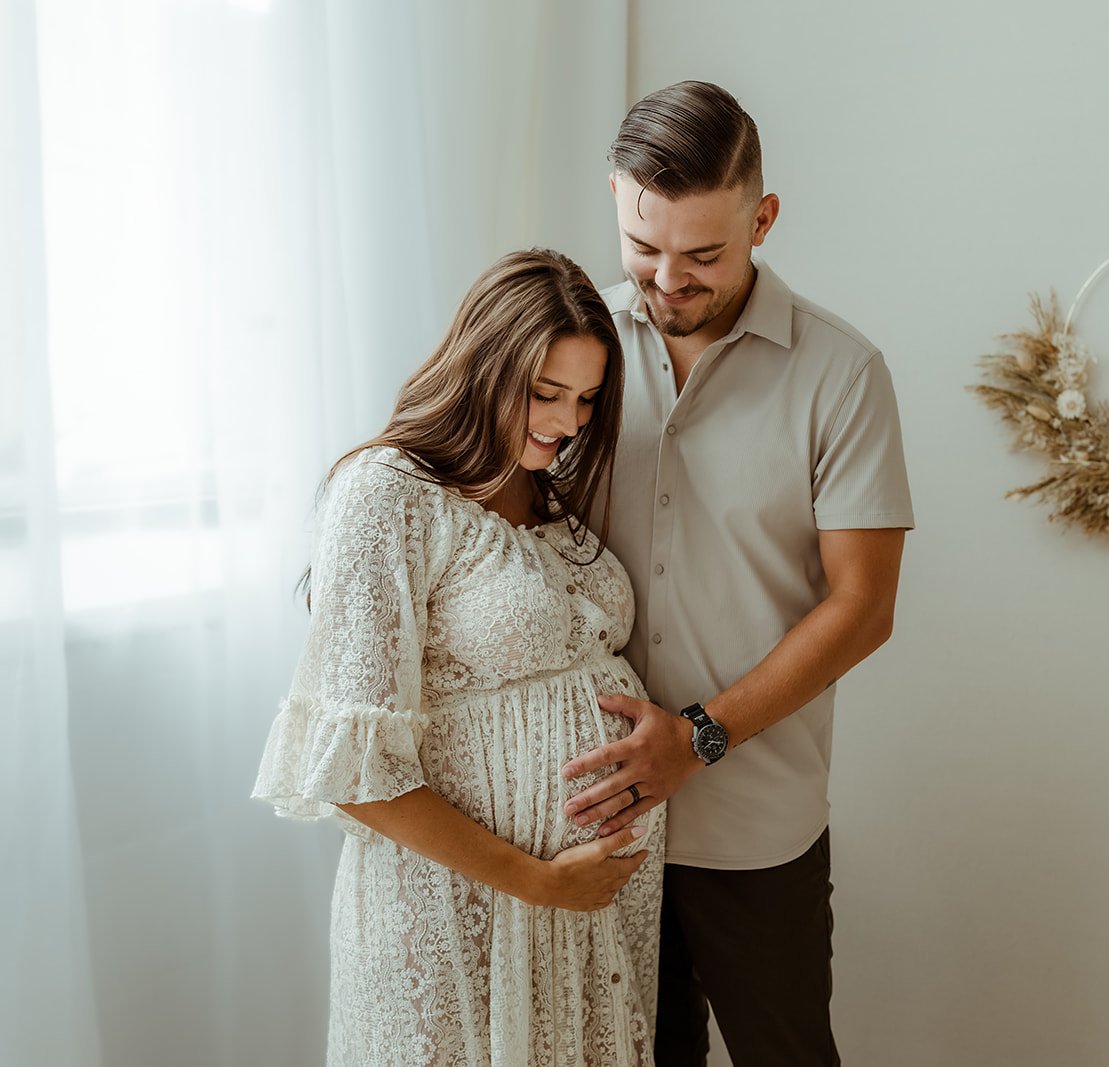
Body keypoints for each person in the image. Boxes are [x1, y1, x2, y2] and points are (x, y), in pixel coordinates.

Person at [557, 82, 915, 1065]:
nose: (666, 279)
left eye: (703, 253)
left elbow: (862, 606)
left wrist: (696, 739)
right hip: (593, 818)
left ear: (762, 219)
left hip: (757, 827)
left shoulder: (843, 374)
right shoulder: (569, 350)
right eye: (643, 246)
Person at [252, 249, 665, 1066]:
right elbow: (353, 772)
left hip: (583, 919)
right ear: (481, 365)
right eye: (545, 393)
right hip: (457, 907)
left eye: (585, 399)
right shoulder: (385, 493)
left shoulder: (543, 489)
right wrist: (538, 880)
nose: (568, 422)